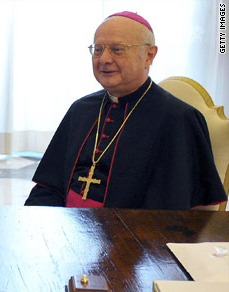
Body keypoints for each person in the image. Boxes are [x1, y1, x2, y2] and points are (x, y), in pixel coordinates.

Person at [25, 11, 226, 209]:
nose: (103, 59)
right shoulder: (81, 109)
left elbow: (171, 211)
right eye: (98, 49)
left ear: (149, 55)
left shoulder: (179, 120)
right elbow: (49, 186)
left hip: (128, 235)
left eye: (117, 49)